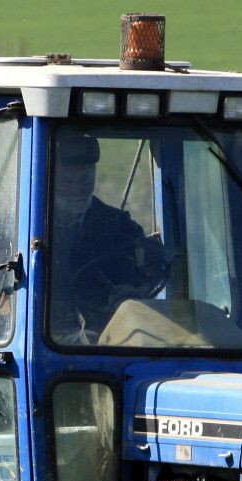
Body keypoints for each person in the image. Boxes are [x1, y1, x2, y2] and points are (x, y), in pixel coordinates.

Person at [49, 130, 166, 342]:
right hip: (40, 339)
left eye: (84, 179)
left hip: (106, 342)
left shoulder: (117, 226)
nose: (77, 188)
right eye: (67, 181)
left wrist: (150, 259)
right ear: (50, 179)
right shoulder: (27, 221)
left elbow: (152, 268)